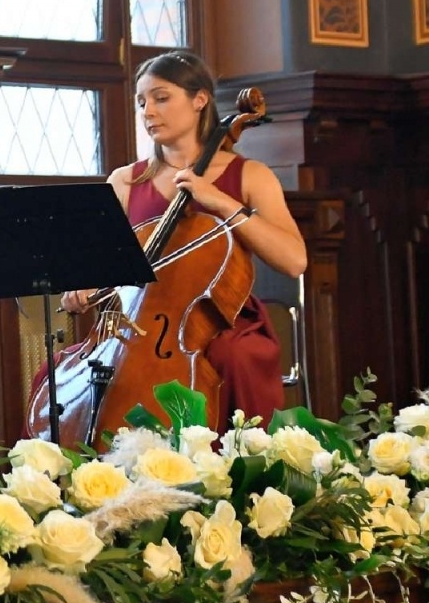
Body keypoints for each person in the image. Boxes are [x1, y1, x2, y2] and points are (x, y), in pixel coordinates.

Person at [57, 50, 307, 430]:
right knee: (59, 373)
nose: (148, 111)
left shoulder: (250, 175)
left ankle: (238, 460)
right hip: (139, 323)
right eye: (142, 102)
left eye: (161, 98)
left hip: (218, 317)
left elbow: (294, 260)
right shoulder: (125, 181)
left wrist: (220, 201)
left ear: (199, 99)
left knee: (235, 356)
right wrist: (84, 287)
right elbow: (99, 266)